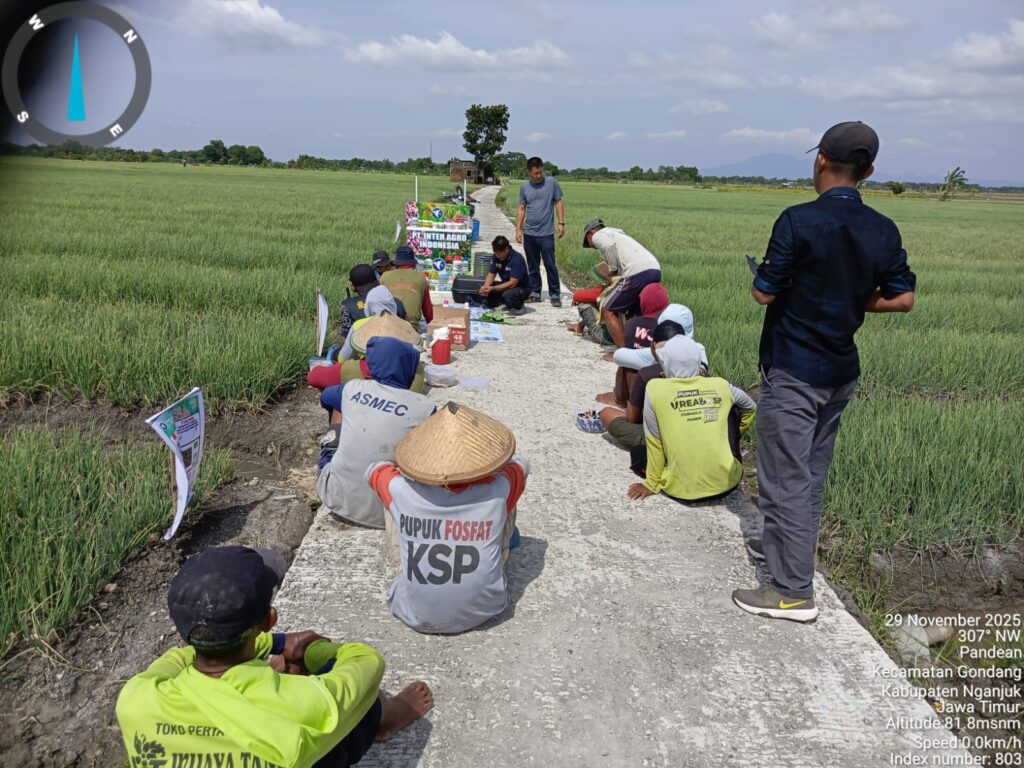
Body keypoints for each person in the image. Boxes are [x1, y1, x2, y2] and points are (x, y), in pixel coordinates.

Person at [732, 121, 916, 624]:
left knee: (782, 480)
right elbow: (903, 298)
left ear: (819, 162)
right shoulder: (883, 229)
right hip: (840, 371)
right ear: (869, 171)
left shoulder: (797, 220)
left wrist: (796, 288)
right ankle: (795, 568)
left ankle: (791, 593)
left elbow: (763, 292)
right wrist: (852, 298)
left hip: (793, 369)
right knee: (808, 478)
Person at [116, 546, 432, 768]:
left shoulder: (135, 699)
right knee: (356, 703)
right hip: (297, 721)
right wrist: (308, 652)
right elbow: (366, 661)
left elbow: (178, 658)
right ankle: (387, 718)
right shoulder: (306, 706)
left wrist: (274, 644)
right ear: (269, 617)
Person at [368, 402, 528, 634]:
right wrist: (489, 470)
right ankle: (504, 541)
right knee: (508, 500)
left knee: (390, 496)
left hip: (414, 613)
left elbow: (375, 469)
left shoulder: (402, 490)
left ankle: (406, 562)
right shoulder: (499, 488)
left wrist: (407, 470)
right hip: (486, 610)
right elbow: (521, 464)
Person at [317, 336, 436, 528]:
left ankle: (333, 460)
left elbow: (325, 397)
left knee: (340, 406)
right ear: (410, 369)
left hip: (335, 498)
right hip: (391, 511)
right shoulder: (425, 407)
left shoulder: (352, 388)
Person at [627, 334, 755, 504]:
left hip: (681, 491)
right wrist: (734, 435)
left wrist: (651, 484)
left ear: (665, 362)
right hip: (728, 484)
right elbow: (750, 407)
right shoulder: (720, 384)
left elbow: (655, 441)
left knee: (638, 453)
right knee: (731, 408)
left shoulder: (655, 388)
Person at [599, 319, 687, 449]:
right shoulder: (701, 370)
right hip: (694, 432)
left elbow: (632, 418)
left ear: (653, 345)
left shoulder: (648, 373)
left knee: (606, 413)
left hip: (666, 441)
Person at [583, 219, 662, 348]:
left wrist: (612, 273)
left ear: (591, 232)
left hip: (637, 272)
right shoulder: (618, 233)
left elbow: (608, 247)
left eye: (589, 243)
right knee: (635, 311)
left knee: (607, 310)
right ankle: (640, 347)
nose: (593, 247)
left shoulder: (599, 235)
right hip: (654, 269)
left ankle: (622, 354)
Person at [595, 283, 670, 407]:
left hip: (632, 389)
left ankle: (619, 399)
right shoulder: (666, 328)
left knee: (625, 360)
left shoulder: (632, 324)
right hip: (657, 385)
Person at [515, 157, 564, 307]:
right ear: (529, 172)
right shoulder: (524, 188)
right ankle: (535, 292)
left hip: (546, 233)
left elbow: (558, 202)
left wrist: (561, 223)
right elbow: (522, 208)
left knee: (550, 264)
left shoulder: (552, 183)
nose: (539, 176)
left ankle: (555, 294)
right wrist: (518, 229)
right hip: (529, 233)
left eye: (541, 172)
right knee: (533, 265)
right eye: (535, 173)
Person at [612, 303, 708, 374]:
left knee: (631, 370)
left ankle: (623, 399)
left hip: (659, 395)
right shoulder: (699, 348)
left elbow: (618, 356)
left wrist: (651, 349)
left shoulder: (657, 353)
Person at [336, 265, 407, 346]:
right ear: (378, 281)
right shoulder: (396, 302)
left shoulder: (347, 305)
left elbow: (347, 339)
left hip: (363, 352)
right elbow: (406, 333)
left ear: (353, 287)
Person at [381, 245, 433, 328]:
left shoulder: (384, 276)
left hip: (389, 326)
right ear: (413, 264)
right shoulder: (421, 277)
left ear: (396, 263)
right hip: (411, 328)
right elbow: (427, 308)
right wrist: (431, 325)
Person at [476, 235, 528, 315]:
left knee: (508, 295)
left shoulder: (517, 259)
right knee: (481, 289)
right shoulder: (496, 256)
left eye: (499, 254)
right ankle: (505, 303)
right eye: (495, 254)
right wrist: (486, 287)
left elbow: (513, 283)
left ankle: (519, 306)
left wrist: (493, 288)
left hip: (520, 287)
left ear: (506, 249)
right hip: (506, 285)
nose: (497, 256)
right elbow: (491, 274)